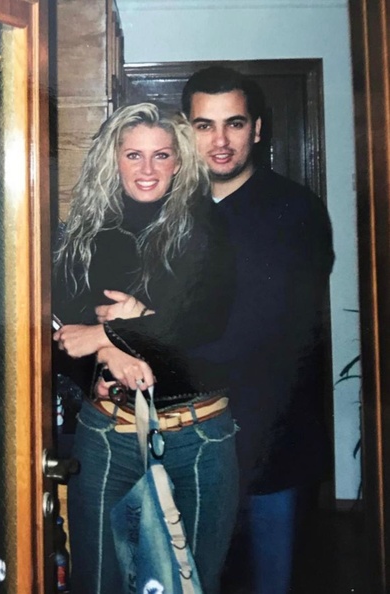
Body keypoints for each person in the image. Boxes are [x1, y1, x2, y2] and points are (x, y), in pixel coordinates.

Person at [52, 103, 238, 594]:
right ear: (113, 159)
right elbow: (60, 329)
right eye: (133, 154)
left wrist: (110, 333)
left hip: (196, 435)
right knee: (98, 583)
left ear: (180, 162)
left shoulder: (206, 228)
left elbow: (207, 326)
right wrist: (109, 351)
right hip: (108, 432)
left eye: (161, 155)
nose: (148, 169)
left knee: (190, 584)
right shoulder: (88, 233)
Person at [181, 66, 335, 594]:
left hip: (272, 446)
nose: (220, 141)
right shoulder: (174, 210)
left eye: (235, 123)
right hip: (194, 446)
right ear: (186, 130)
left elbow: (260, 329)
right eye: (204, 125)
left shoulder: (295, 211)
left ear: (258, 129)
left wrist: (133, 339)